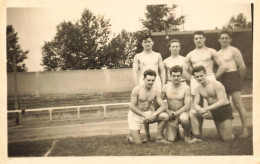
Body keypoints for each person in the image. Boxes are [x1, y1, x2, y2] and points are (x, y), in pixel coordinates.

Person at [182, 31, 227, 138]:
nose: (198, 40)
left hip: (210, 77)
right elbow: (183, 70)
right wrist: (192, 79)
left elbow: (223, 66)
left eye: (200, 38)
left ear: (204, 38)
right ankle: (198, 135)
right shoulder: (190, 54)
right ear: (193, 40)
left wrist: (213, 78)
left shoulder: (211, 51)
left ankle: (220, 132)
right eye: (196, 38)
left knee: (215, 107)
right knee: (197, 107)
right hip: (195, 81)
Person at [133, 34, 166, 141]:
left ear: (152, 42)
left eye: (149, 41)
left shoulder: (157, 55)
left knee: (158, 109)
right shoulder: (138, 56)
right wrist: (137, 85)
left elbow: (162, 70)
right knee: (145, 107)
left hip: (156, 83)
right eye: (145, 41)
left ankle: (160, 134)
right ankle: (147, 135)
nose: (147, 43)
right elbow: (134, 71)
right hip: (143, 83)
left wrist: (164, 84)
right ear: (142, 43)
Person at [217, 30, 249, 138]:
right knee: (224, 105)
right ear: (219, 40)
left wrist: (239, 79)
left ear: (230, 39)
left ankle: (245, 130)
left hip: (233, 76)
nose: (224, 40)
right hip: (223, 78)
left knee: (238, 104)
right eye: (222, 38)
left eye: (226, 38)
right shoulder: (218, 53)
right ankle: (227, 131)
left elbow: (242, 66)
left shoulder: (234, 50)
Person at [191, 65, 234, 142]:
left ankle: (230, 133)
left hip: (224, 110)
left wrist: (205, 109)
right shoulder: (198, 89)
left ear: (206, 74)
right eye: (197, 77)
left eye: (201, 75)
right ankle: (196, 137)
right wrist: (200, 110)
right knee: (192, 113)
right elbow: (195, 103)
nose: (199, 78)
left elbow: (222, 101)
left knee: (226, 139)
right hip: (212, 111)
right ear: (194, 78)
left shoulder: (216, 84)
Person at [127, 69, 170, 145]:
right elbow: (131, 106)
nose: (151, 82)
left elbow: (163, 106)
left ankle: (159, 137)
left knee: (165, 116)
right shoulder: (137, 89)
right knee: (138, 143)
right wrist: (144, 115)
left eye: (153, 80)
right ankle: (131, 137)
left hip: (147, 114)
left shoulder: (155, 91)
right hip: (135, 115)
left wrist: (154, 114)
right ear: (144, 79)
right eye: (148, 80)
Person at [161, 65, 191, 142]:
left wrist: (176, 113)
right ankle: (175, 131)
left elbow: (187, 106)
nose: (176, 78)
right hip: (171, 115)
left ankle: (186, 134)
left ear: (181, 76)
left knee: (184, 119)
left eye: (178, 76)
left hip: (181, 113)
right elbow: (159, 102)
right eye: (174, 76)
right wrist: (168, 111)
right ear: (170, 76)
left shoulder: (186, 88)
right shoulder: (165, 87)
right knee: (171, 139)